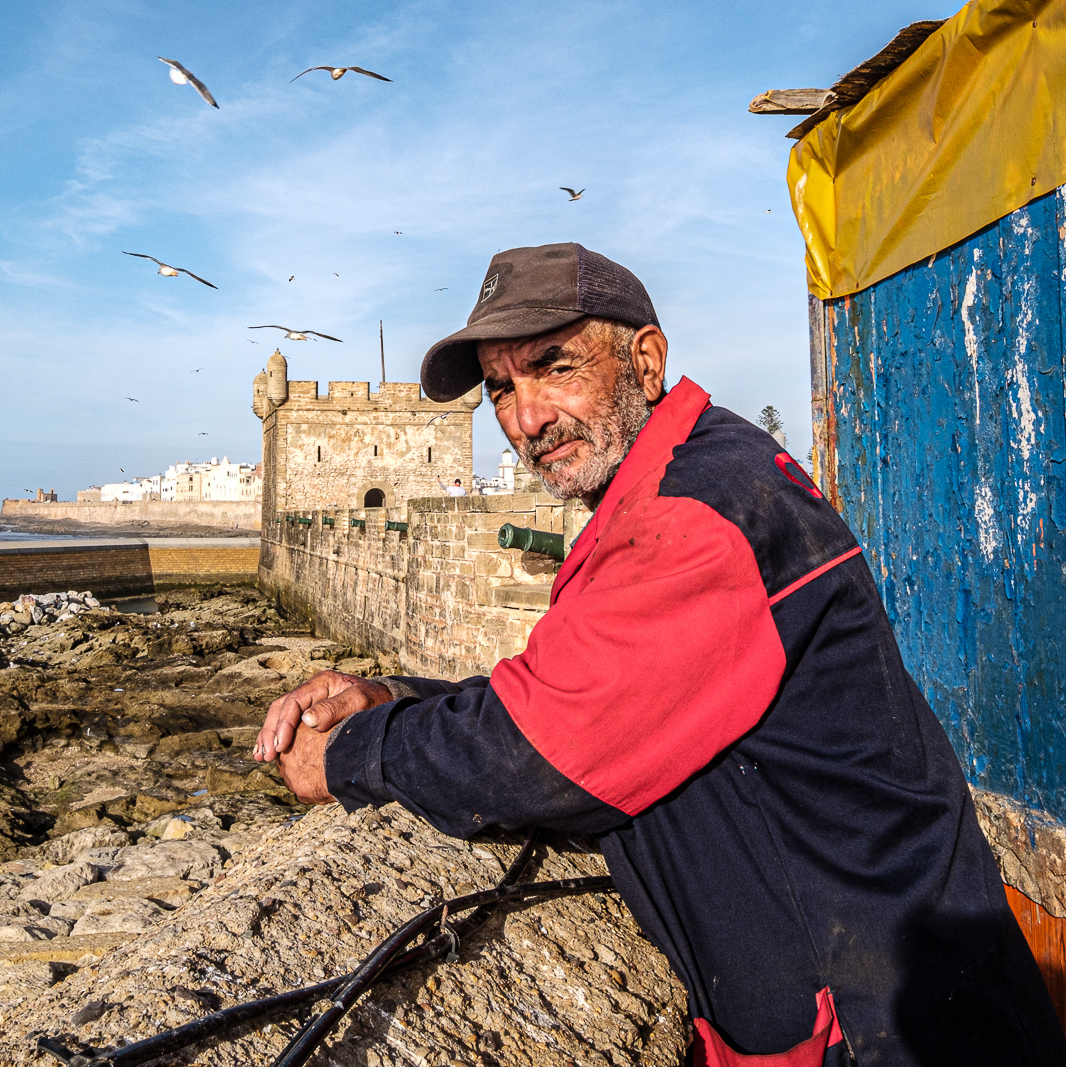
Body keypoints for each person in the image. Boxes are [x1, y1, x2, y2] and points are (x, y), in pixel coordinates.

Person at [253, 243, 1065, 1065]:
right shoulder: (684, 477)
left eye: (554, 365)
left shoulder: (698, 513)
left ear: (645, 361)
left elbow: (541, 749)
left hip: (890, 1029)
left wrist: (354, 752)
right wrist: (393, 694)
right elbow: (591, 688)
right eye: (502, 387)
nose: (527, 416)